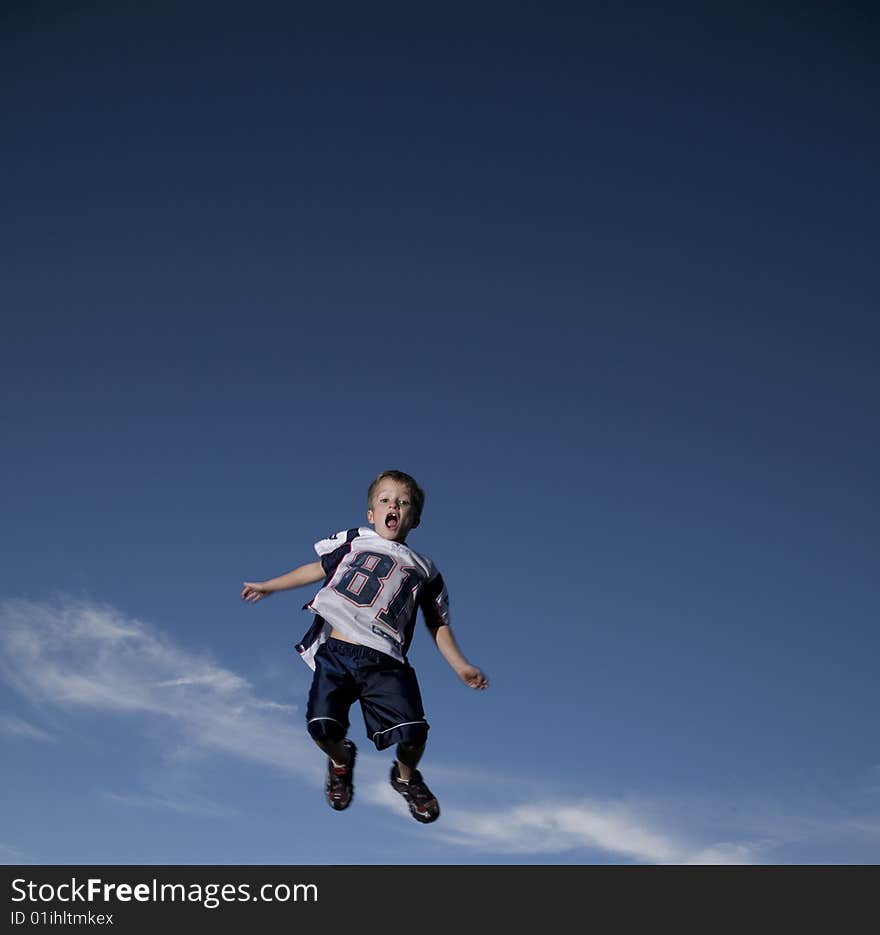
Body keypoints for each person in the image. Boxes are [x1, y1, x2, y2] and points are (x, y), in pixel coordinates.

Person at [241, 470, 488, 823]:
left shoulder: (425, 569)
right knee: (322, 728)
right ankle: (342, 762)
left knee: (415, 734)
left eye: (403, 504)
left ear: (414, 519)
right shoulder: (356, 540)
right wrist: (270, 585)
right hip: (339, 652)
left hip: (387, 662)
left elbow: (438, 624)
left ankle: (405, 779)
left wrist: (461, 666)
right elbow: (315, 569)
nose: (394, 507)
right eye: (385, 500)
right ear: (371, 513)